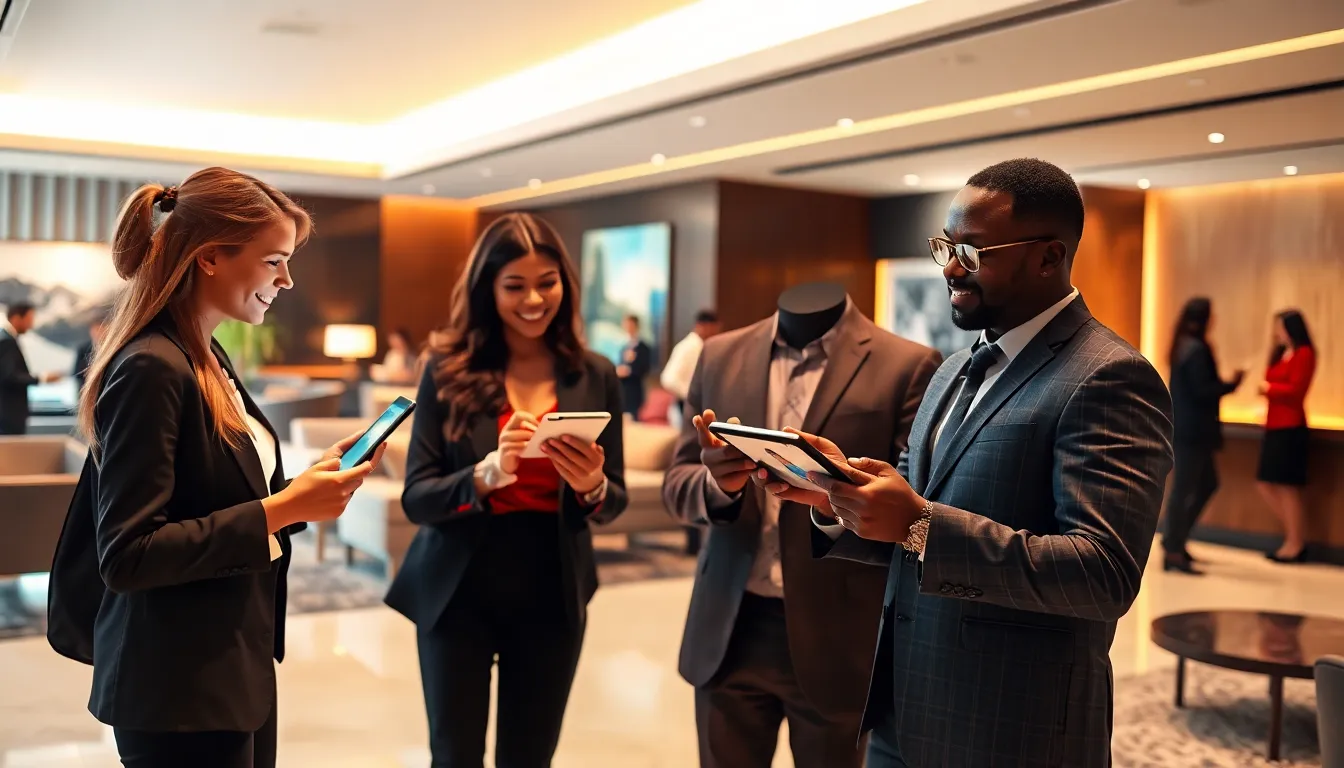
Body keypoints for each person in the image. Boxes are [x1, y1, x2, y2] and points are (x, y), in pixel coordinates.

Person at [763, 158, 1173, 767]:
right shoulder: (953, 370)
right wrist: (841, 499)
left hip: (1013, 728)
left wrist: (918, 524)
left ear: (1048, 256)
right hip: (905, 712)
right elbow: (911, 522)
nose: (951, 268)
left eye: (974, 251)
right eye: (946, 246)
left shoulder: (1109, 376)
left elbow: (1102, 573)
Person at [45, 167, 384, 768]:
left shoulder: (207, 355)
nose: (287, 279)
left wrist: (301, 491)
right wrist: (282, 509)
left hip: (230, 664)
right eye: (273, 260)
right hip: (177, 684)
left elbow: (219, 495)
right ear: (209, 259)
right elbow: (128, 554)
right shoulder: (152, 367)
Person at [384, 212, 629, 768]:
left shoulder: (595, 373)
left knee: (530, 754)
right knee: (455, 754)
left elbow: (612, 500)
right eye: (514, 286)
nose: (534, 300)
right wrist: (483, 474)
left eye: (547, 283)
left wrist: (592, 484)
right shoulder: (447, 369)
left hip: (552, 585)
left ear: (565, 283)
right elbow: (417, 497)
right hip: (459, 586)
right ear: (486, 289)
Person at [662, 284, 941, 768]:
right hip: (729, 627)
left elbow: (911, 505)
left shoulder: (908, 364)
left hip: (838, 635)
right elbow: (679, 480)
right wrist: (718, 487)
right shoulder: (719, 355)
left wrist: (837, 500)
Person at [1161, 297, 1243, 574]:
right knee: (1186, 488)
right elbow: (1202, 391)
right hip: (1193, 431)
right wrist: (1230, 385)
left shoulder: (1183, 345)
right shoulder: (1195, 349)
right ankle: (1173, 548)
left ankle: (1175, 542)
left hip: (1187, 429)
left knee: (1202, 484)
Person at [1256, 308, 1316, 563]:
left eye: (1280, 327)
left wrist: (1269, 389)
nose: (1276, 333)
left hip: (1290, 427)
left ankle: (1295, 542)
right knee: (1266, 483)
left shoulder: (1304, 353)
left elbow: (1296, 390)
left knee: (1287, 487)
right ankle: (1293, 536)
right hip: (1274, 425)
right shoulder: (1282, 354)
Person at [0, 302, 62, 434]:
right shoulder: (7, 341)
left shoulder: (7, 339)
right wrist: (42, 378)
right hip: (9, 413)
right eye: (29, 319)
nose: (31, 325)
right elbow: (11, 376)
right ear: (16, 318)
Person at [661, 309, 721, 408]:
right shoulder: (689, 347)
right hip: (685, 403)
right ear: (703, 326)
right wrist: (690, 396)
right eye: (714, 328)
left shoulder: (700, 346)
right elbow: (669, 379)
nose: (716, 333)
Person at [617, 314, 651, 420]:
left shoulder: (643, 347)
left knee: (634, 418)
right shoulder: (623, 346)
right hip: (622, 389)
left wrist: (630, 371)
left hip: (634, 390)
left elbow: (645, 368)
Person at [73, 311, 110, 392]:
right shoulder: (83, 349)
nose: (98, 332)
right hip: (86, 391)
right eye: (95, 329)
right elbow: (76, 373)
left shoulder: (112, 348)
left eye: (101, 328)